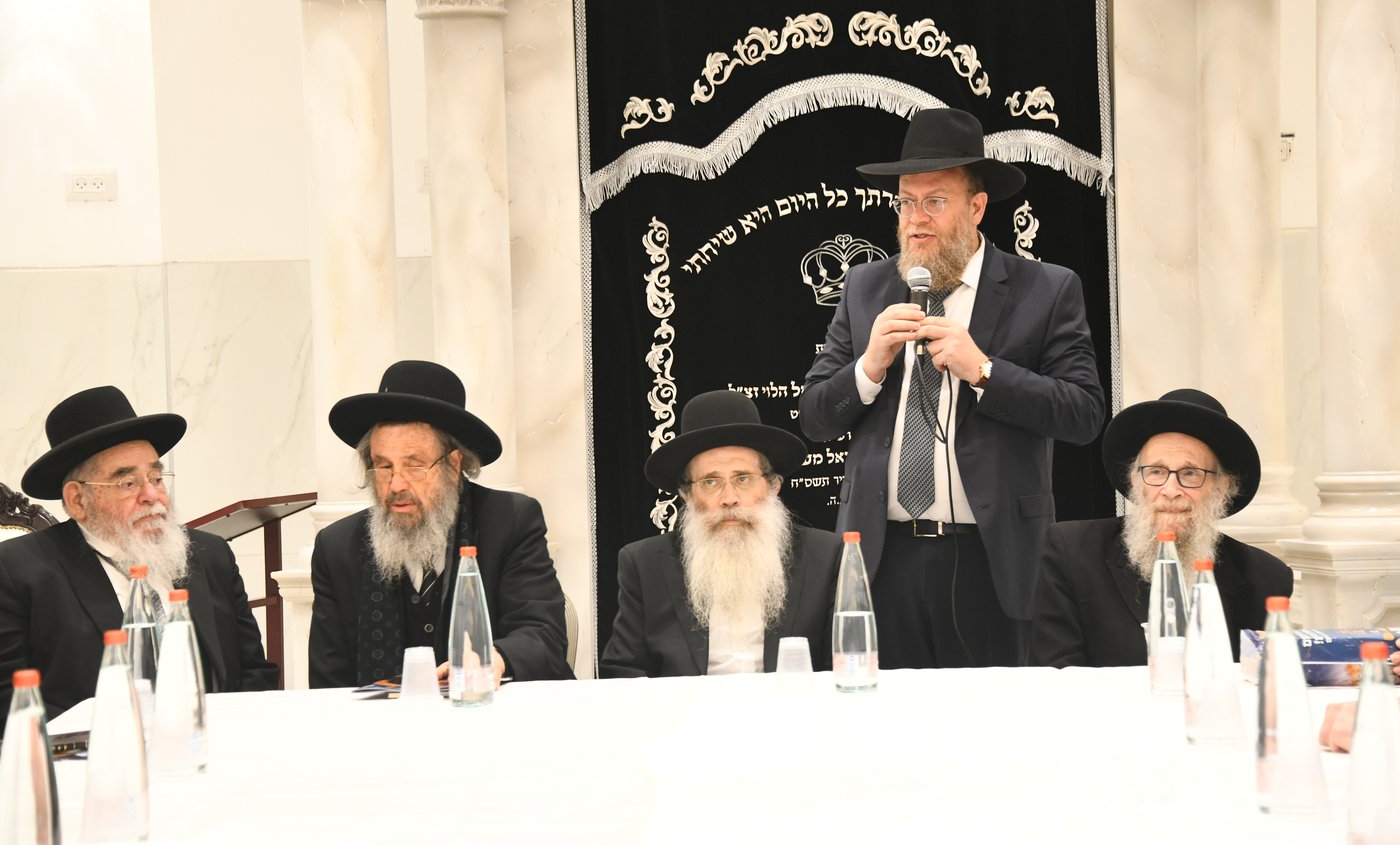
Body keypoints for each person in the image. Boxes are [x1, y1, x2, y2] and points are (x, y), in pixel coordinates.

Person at [800, 107, 1104, 669]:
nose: (916, 219)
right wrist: (869, 366)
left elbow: (1084, 413)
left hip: (992, 559)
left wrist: (984, 371)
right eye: (906, 203)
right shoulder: (866, 287)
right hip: (882, 559)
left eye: (935, 202)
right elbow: (815, 418)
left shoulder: (1046, 289)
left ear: (977, 207)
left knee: (990, 719)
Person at [0, 386, 278, 733]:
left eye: (156, 478)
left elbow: (254, 672)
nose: (152, 495)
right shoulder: (19, 571)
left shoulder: (210, 554)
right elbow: (10, 704)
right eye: (128, 483)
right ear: (77, 500)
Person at [308, 360, 572, 689]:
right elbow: (328, 684)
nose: (396, 485)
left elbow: (544, 635)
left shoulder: (510, 521)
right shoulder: (336, 548)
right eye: (384, 466)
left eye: (414, 465)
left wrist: (494, 660)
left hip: (494, 711)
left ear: (453, 464)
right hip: (382, 720)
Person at [1031, 388, 1294, 666]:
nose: (1170, 490)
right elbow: (1055, 678)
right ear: (1135, 480)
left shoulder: (1266, 578)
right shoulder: (1072, 553)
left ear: (1221, 488)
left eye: (1190, 474)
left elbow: (1262, 680)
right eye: (1156, 472)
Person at [601, 391, 841, 678]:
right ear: (687, 494)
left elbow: (847, 663)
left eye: (743, 479)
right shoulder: (644, 564)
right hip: (686, 707)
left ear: (773, 487)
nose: (729, 498)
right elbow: (623, 672)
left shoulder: (826, 556)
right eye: (710, 482)